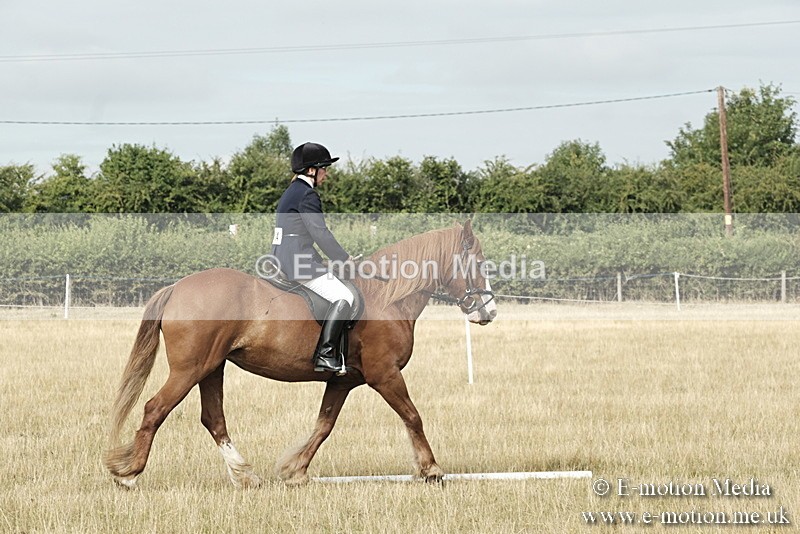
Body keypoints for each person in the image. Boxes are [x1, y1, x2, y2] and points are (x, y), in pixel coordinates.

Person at [271, 142, 356, 375]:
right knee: (344, 297)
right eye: (324, 169)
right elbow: (320, 232)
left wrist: (322, 261)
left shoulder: (291, 192)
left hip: (284, 257)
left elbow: (299, 234)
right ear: (311, 170)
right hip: (298, 263)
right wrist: (343, 258)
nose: (326, 175)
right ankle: (326, 354)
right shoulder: (307, 194)